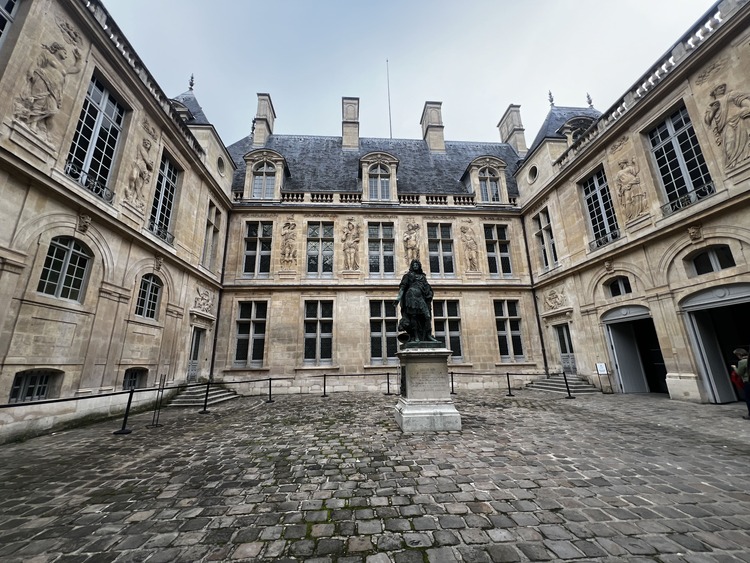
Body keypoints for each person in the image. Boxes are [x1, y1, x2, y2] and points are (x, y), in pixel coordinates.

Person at [394, 259, 437, 343]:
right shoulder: (408, 276)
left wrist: (429, 292)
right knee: (414, 316)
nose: (415, 266)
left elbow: (427, 287)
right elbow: (402, 287)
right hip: (411, 297)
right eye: (414, 265)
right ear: (411, 266)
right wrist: (398, 298)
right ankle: (416, 336)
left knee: (427, 316)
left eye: (417, 264)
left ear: (419, 266)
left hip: (420, 298)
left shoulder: (423, 277)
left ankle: (428, 334)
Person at [731, 348, 750, 419]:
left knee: (748, 398)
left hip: (748, 381)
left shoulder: (742, 362)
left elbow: (739, 373)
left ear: (739, 355)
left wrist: (734, 368)